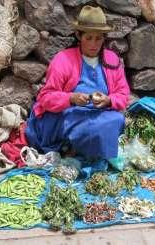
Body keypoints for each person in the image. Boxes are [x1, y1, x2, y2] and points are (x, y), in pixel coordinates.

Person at [25, 6, 130, 171]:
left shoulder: (112, 59)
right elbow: (46, 98)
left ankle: (82, 148)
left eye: (98, 38)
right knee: (93, 129)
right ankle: (76, 149)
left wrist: (109, 100)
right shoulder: (63, 60)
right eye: (89, 38)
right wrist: (71, 98)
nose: (94, 44)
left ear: (104, 38)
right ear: (79, 35)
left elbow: (123, 94)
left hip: (97, 113)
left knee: (117, 120)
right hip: (68, 114)